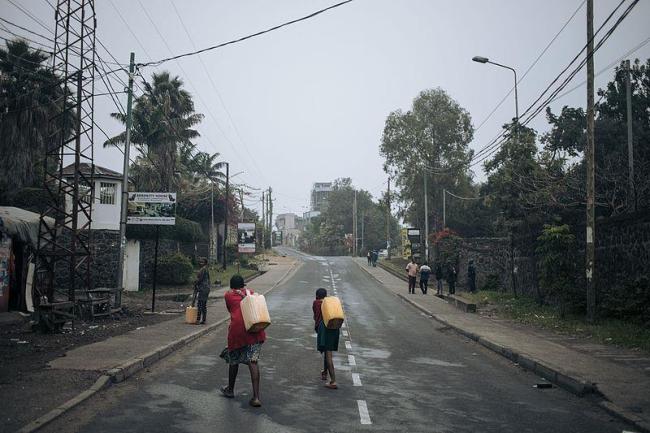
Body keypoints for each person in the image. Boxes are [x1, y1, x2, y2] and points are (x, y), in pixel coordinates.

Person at [220, 275, 266, 407]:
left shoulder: (228, 295)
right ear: (243, 285)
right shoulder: (251, 293)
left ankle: (230, 389)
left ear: (231, 286)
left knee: (233, 360)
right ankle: (256, 397)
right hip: (255, 331)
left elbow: (230, 309)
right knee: (253, 362)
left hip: (238, 332)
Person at [313, 288, 339, 389]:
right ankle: (324, 372)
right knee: (327, 349)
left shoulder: (316, 303)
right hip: (334, 327)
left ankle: (333, 381)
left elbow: (316, 316)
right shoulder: (329, 304)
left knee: (328, 353)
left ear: (317, 296)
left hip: (324, 328)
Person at [193, 258, 210, 324]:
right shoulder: (206, 269)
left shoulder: (203, 269)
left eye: (202, 262)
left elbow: (200, 279)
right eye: (200, 262)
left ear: (205, 263)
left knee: (200, 304)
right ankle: (204, 320)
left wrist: (195, 283)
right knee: (203, 305)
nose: (200, 263)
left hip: (203, 288)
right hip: (206, 288)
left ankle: (198, 320)